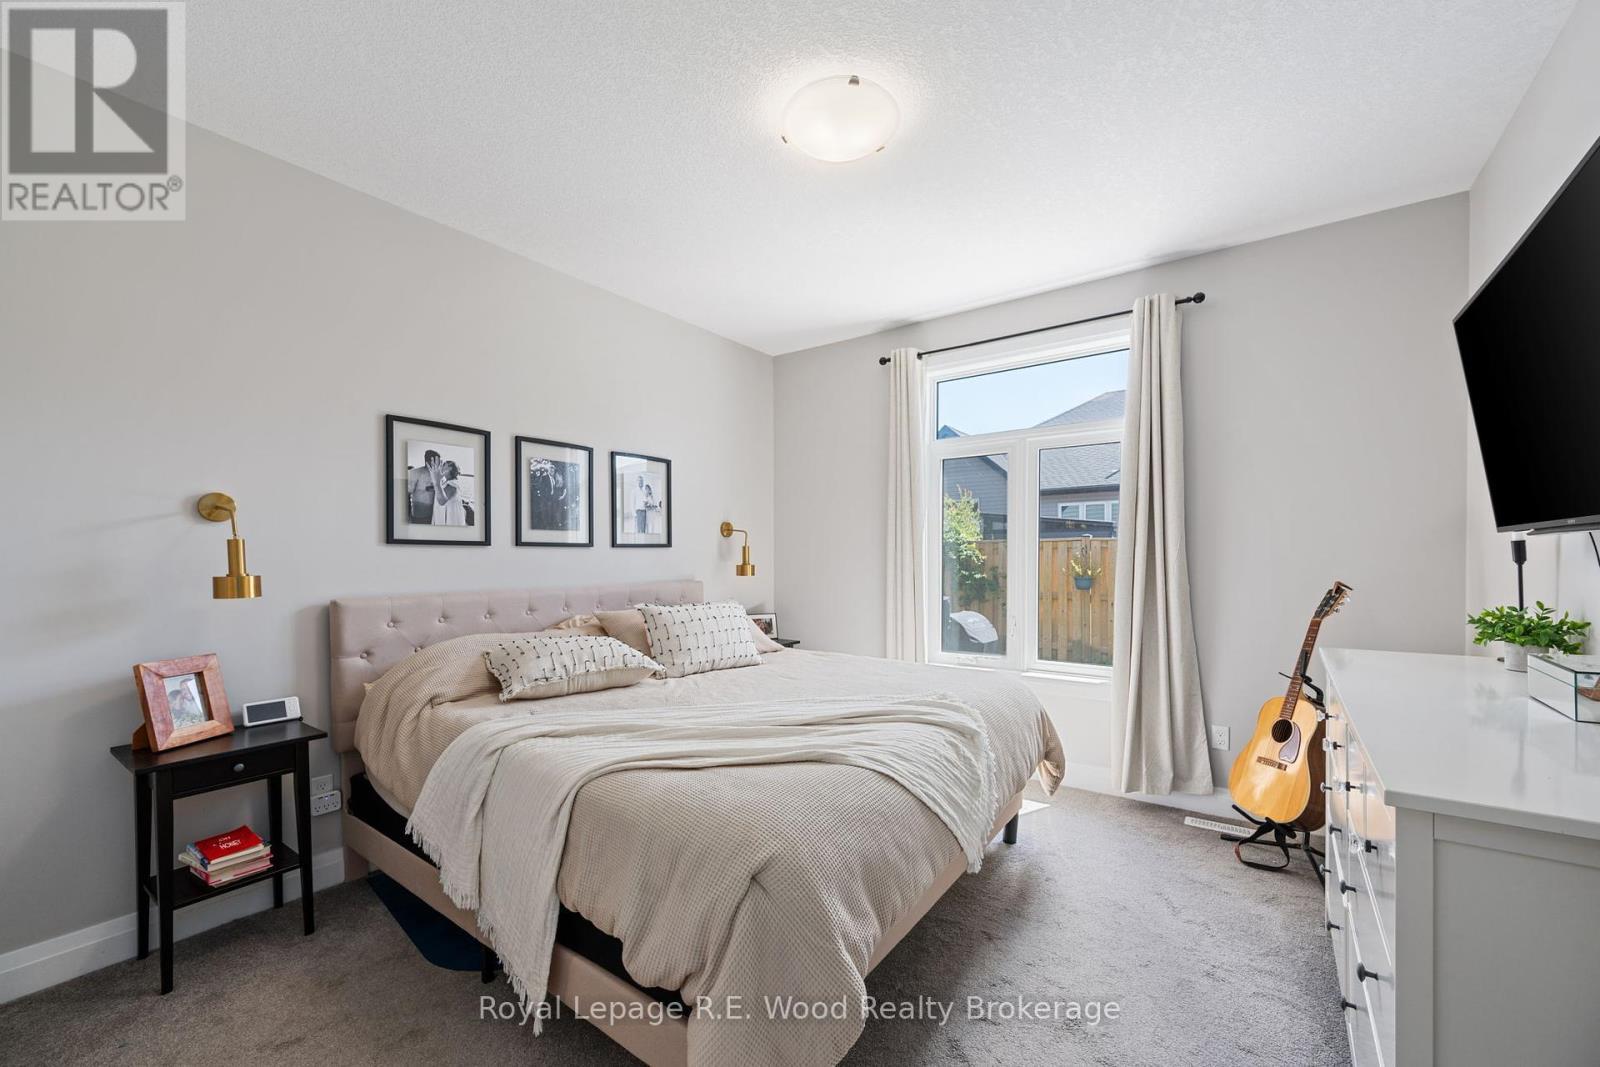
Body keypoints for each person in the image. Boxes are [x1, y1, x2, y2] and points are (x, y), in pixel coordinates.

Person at [407, 449, 441, 523]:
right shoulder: (415, 473)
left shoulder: (439, 475)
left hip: (436, 515)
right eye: (437, 461)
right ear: (429, 461)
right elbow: (406, 494)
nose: (439, 463)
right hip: (420, 515)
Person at [432, 460, 467, 526]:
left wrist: (437, 482)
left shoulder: (453, 484)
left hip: (450, 520)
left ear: (450, 468)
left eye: (444, 465)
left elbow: (442, 501)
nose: (441, 467)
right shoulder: (446, 481)